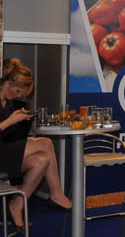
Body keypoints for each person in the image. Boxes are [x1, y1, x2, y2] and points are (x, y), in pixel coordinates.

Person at [0, 58, 72, 234]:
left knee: (42, 160)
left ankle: (18, 203)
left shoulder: (9, 102)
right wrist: (11, 121)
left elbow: (12, 136)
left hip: (6, 154)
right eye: (18, 91)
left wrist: (20, 119)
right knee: (46, 143)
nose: (19, 96)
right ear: (7, 84)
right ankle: (56, 193)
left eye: (23, 94)